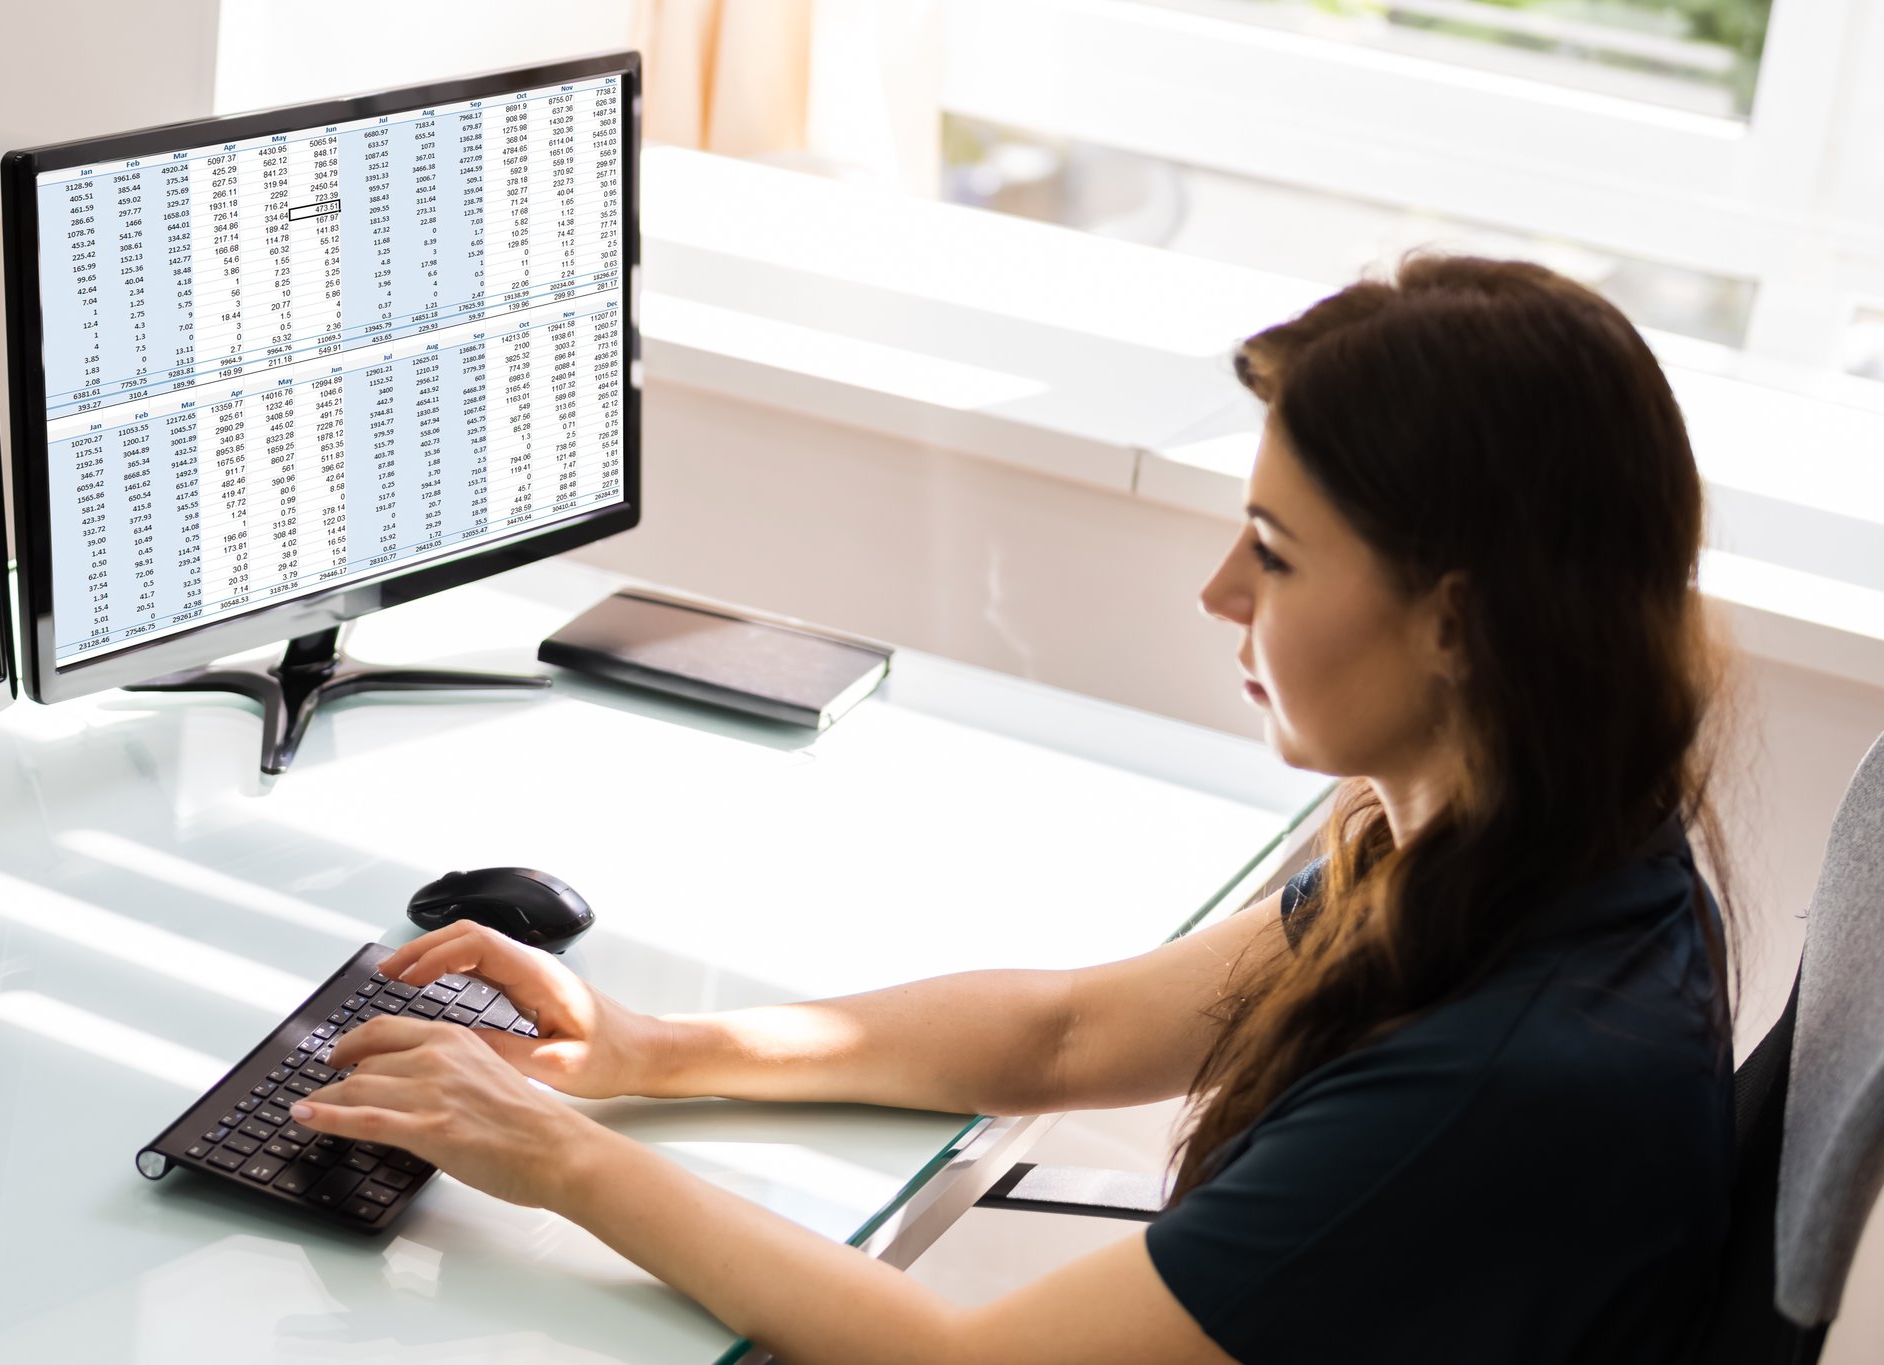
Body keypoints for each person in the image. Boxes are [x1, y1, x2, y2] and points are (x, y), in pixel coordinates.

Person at [294, 255, 1738, 1364]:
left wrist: (557, 1156)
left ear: (1455, 625)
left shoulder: (1497, 1083)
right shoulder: (1531, 841)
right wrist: (647, 1048)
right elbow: (1074, 1030)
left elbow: (970, 1360)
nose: (1221, 591)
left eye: (1280, 553)